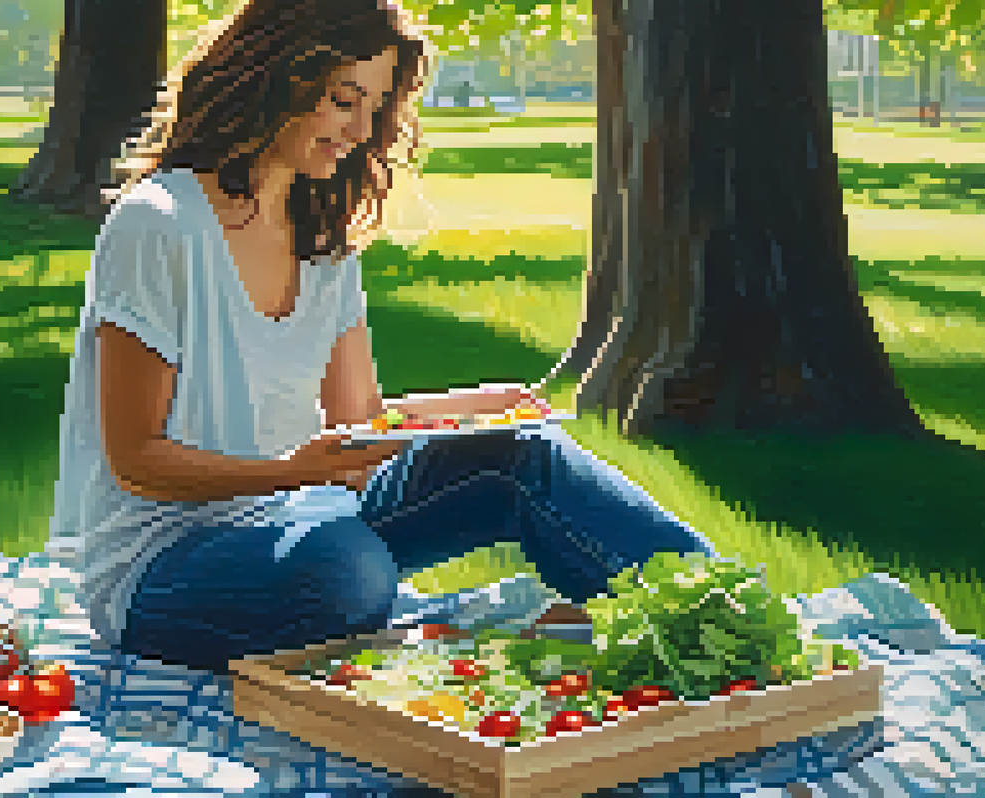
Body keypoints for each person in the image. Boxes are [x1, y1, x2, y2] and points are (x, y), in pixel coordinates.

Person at [49, 0, 718, 674]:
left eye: (375, 108)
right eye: (344, 101)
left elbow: (359, 423)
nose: (361, 131)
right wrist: (293, 473)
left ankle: (720, 614)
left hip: (301, 508)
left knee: (524, 452)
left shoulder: (322, 237)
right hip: (163, 564)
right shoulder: (159, 224)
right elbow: (137, 458)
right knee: (347, 571)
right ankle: (479, 627)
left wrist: (473, 410)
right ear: (274, 75)